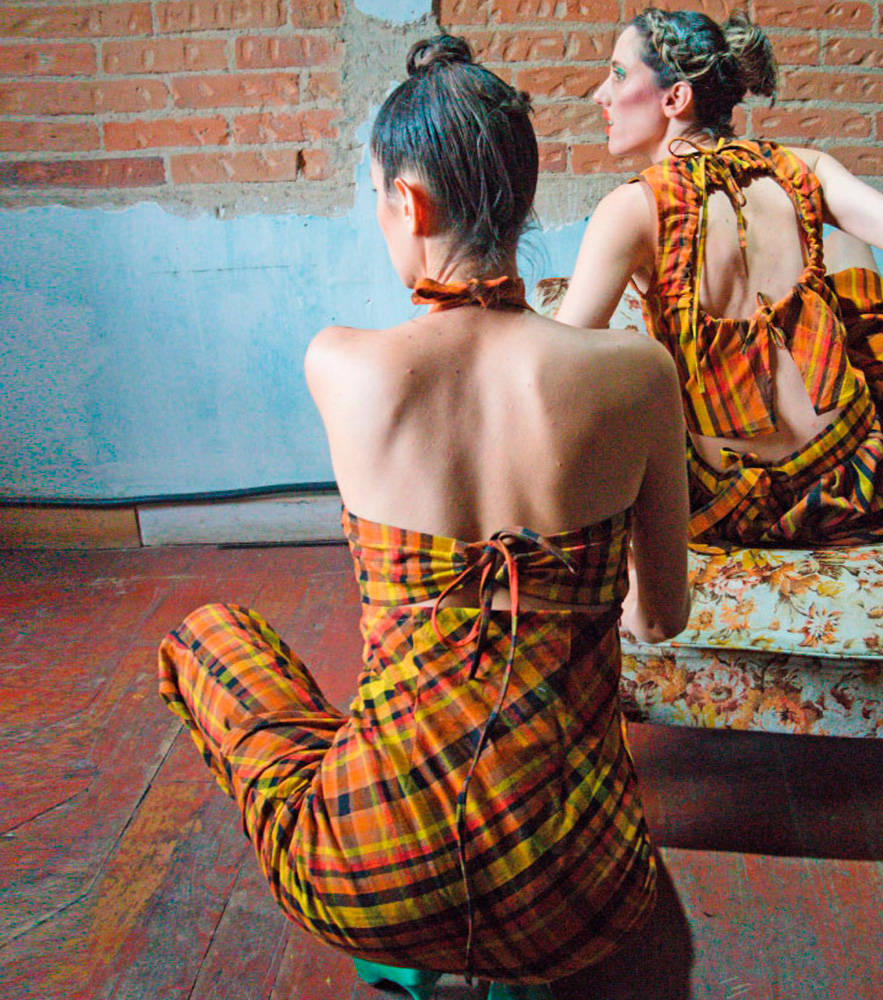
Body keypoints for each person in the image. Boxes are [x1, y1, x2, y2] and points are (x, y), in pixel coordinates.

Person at [157, 34, 690, 1000]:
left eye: (376, 197)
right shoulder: (639, 373)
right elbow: (662, 620)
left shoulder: (339, 364)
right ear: (521, 199)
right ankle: (515, 954)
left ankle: (408, 950)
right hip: (584, 894)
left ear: (409, 203)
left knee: (210, 637)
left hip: (370, 876)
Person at [556, 8, 883, 548]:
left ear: (676, 99)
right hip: (853, 481)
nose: (600, 94)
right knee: (846, 249)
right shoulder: (802, 166)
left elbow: (560, 364)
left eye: (618, 74)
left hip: (738, 505)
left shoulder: (629, 209)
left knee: (833, 265)